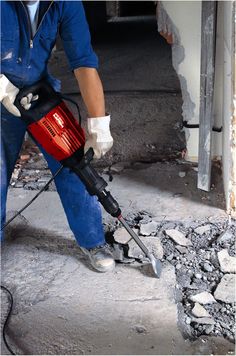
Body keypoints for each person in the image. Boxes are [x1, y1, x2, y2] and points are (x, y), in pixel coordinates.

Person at [0, 0, 115, 272]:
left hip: (39, 91)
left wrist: (98, 123)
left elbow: (84, 62)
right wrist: (4, 90)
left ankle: (93, 241)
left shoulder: (65, 3)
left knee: (74, 163)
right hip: (2, 95)